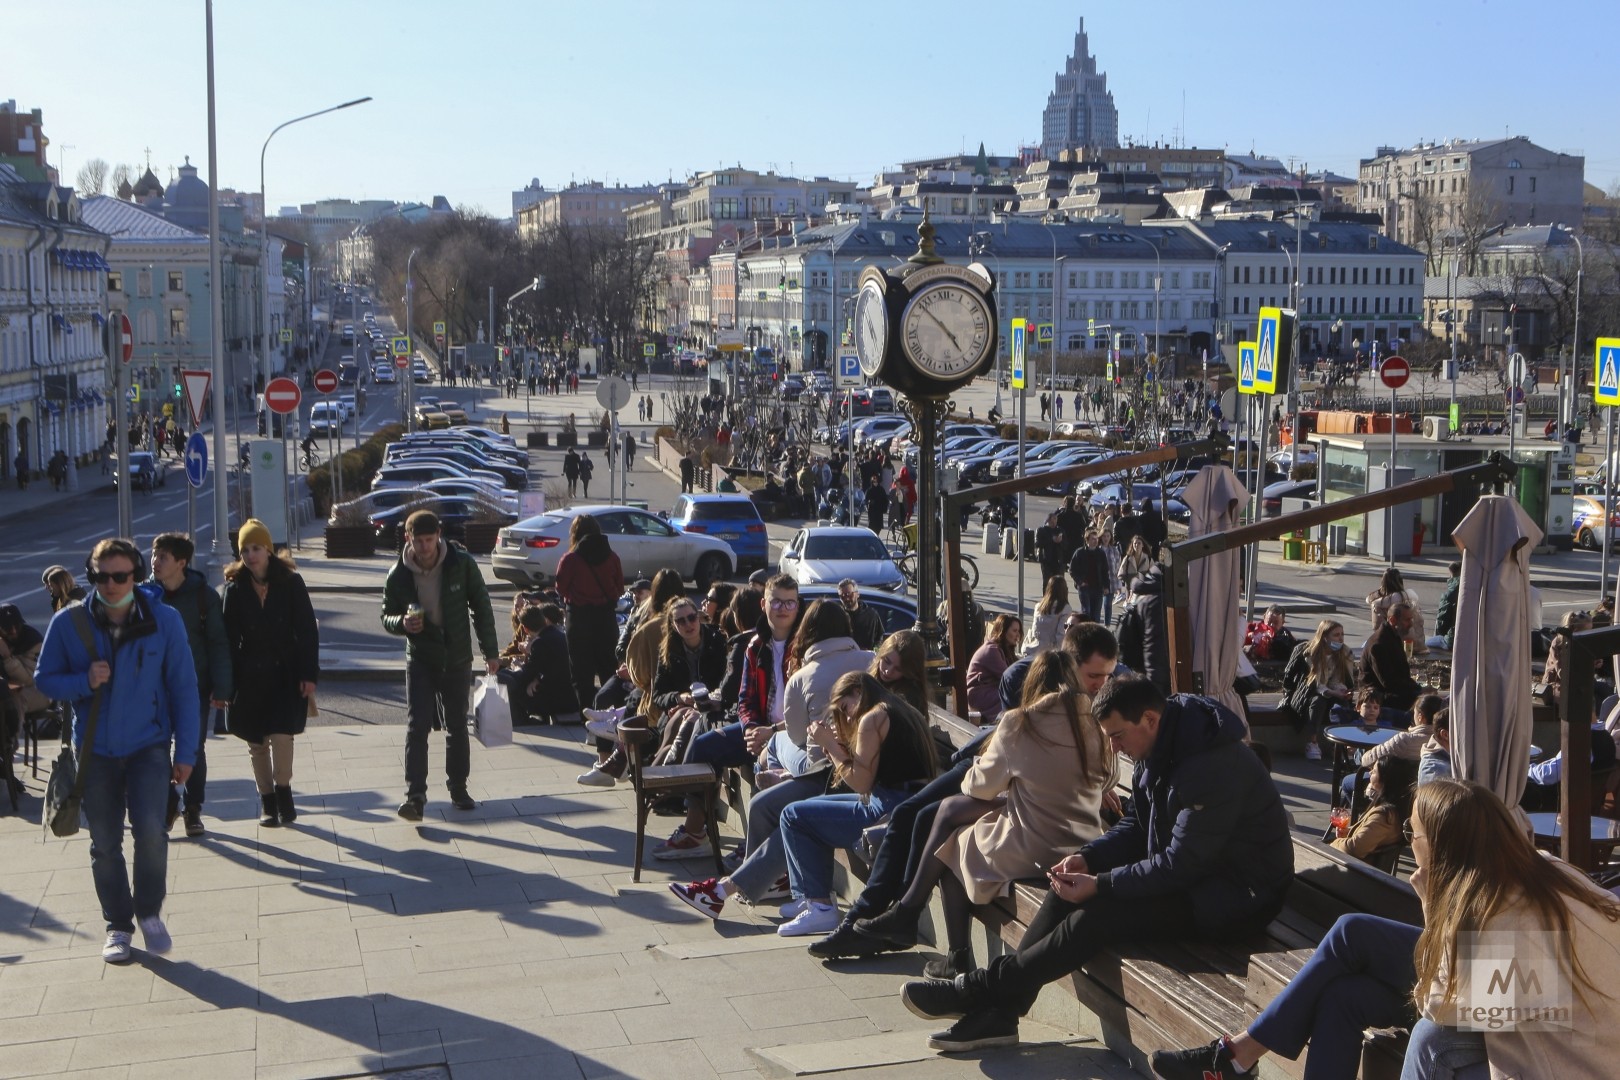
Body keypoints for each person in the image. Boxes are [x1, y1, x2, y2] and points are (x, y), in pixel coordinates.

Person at [899, 675, 1293, 1053]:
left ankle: (979, 989)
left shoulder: (1210, 767)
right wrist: (1087, 859)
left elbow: (1178, 866)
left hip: (1235, 900)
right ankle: (1001, 1013)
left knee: (1097, 916)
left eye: (1118, 736)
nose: (1115, 747)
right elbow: (1137, 825)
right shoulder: (1161, 743)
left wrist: (1101, 884)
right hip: (1195, 880)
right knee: (1066, 889)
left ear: (1150, 719)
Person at [1149, 779, 1620, 1080]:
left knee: (1420, 1033)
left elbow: (1438, 1004)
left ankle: (1236, 1056)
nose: (1406, 840)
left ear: (1440, 847)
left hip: (1563, 1045)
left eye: (1413, 833)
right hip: (1530, 1001)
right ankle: (1239, 1055)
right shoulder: (1529, 871)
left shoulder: (1507, 921)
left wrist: (1430, 898)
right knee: (1346, 982)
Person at [812, 622, 1124, 961]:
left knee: (942, 833)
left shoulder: (1061, 719)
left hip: (1032, 827)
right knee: (923, 816)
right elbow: (1101, 775)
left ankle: (905, 922)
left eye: (1108, 676)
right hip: (1049, 817)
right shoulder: (1096, 721)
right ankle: (895, 916)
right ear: (1071, 666)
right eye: (1095, 676)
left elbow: (982, 785)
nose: (1102, 685)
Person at [34, 538, 199, 963]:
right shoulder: (69, 623)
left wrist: (187, 752)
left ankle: (148, 912)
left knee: (151, 833)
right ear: (91, 577)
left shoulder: (165, 620)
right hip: (96, 750)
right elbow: (45, 679)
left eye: (120, 576)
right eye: (101, 576)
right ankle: (118, 925)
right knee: (105, 842)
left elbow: (184, 688)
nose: (110, 585)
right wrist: (82, 682)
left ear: (136, 574)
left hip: (149, 745)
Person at [773, 671, 938, 936]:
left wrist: (831, 747)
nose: (848, 716)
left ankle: (820, 907)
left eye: (846, 707)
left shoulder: (873, 718)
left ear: (859, 693)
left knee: (794, 816)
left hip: (888, 811)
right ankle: (809, 896)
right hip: (906, 803)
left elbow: (861, 782)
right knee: (812, 808)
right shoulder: (900, 708)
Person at [381, 509, 500, 820]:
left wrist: (490, 652)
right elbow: (386, 615)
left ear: (439, 536)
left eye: (429, 540)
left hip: (457, 656)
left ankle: (458, 788)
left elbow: (481, 607)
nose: (424, 547)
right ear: (408, 539)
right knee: (416, 726)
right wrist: (401, 623)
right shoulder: (398, 574)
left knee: (457, 725)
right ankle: (415, 797)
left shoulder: (461, 564)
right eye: (418, 541)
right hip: (420, 657)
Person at [221, 520, 319, 827]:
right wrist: (227, 683)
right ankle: (267, 801)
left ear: (268, 549)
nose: (251, 556)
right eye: (245, 550)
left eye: (256, 548)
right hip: (249, 677)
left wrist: (308, 674)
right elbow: (227, 638)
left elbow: (306, 631)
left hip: (285, 674)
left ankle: (284, 791)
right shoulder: (235, 589)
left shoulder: (290, 582)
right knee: (256, 742)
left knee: (282, 735)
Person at [148, 533, 233, 838]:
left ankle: (192, 808)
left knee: (192, 747)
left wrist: (222, 687)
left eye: (163, 557)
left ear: (181, 563)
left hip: (192, 687)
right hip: (152, 690)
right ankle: (164, 806)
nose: (155, 562)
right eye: (155, 556)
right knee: (155, 750)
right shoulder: (145, 595)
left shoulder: (203, 596)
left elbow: (218, 643)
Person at [554, 514, 624, 712]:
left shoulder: (570, 559)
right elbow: (619, 588)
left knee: (581, 673)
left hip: (579, 618)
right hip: (606, 618)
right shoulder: (612, 557)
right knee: (609, 670)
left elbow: (561, 587)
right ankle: (613, 715)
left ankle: (588, 718)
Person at [1281, 618, 1356, 761]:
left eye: (1342, 634)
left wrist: (1341, 691)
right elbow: (1313, 683)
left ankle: (1340, 745)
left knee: (1343, 705)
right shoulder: (1308, 652)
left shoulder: (1344, 653)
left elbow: (1337, 680)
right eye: (1336, 635)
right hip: (1307, 693)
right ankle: (1312, 742)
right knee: (1318, 702)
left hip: (1330, 690)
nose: (1340, 638)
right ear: (1324, 637)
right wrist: (1331, 692)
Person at [1330, 757, 1419, 861]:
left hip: (1356, 870)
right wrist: (1348, 832)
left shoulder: (1383, 816)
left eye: (1375, 771)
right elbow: (1371, 835)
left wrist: (1333, 843)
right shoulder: (1397, 808)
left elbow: (1354, 848)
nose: (1370, 772)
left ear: (1385, 780)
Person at [500, 604, 576, 726]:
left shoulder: (540, 643)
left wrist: (516, 666)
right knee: (509, 676)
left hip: (556, 699)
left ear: (525, 629)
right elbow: (544, 668)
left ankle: (520, 720)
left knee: (502, 677)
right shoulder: (559, 635)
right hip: (567, 694)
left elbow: (526, 675)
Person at [1115, 566, 1170, 694]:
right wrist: (1155, 694)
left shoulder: (1147, 593)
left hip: (1140, 670)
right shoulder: (1158, 600)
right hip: (1155, 680)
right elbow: (1155, 653)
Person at [1359, 601, 1422, 712]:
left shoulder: (1392, 636)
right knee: (1424, 705)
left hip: (1392, 692)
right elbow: (1390, 683)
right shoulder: (1379, 644)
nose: (1411, 623)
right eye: (1407, 620)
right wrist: (1419, 690)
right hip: (1377, 698)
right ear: (1392, 620)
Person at [965, 615, 1021, 724]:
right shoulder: (992, 650)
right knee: (1015, 697)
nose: (1018, 635)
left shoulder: (1003, 649)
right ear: (1003, 631)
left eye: (1019, 631)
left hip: (989, 691)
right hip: (979, 695)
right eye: (1014, 631)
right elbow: (1009, 678)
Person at [0, 604, 48, 718]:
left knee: (11, 703)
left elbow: (30, 680)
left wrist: (7, 657)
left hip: (39, 690)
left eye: (16, 625)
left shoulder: (33, 641)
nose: (14, 631)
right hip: (8, 688)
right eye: (8, 628)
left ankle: (10, 735)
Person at [1367, 566, 1428, 656]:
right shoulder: (1412, 598)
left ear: (1383, 583)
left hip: (1398, 649)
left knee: (1366, 646)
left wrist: (1378, 593)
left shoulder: (1379, 604)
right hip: (1420, 646)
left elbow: (1377, 629)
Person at [1068, 531, 1112, 623]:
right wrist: (1080, 582)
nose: (1095, 541)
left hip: (1097, 588)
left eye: (1096, 539)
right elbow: (1072, 570)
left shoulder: (1101, 553)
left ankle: (1095, 633)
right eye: (1093, 539)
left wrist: (1106, 586)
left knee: (1096, 614)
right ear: (1087, 540)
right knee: (1086, 612)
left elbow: (1105, 571)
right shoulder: (1079, 552)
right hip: (1085, 588)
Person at [1025, 575, 1072, 656]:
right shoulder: (1065, 608)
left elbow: (1034, 630)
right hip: (1050, 653)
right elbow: (1061, 634)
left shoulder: (1039, 606)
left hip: (1034, 649)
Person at [837, 578, 886, 652]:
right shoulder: (838, 617)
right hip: (845, 660)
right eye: (842, 596)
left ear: (857, 594)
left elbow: (879, 638)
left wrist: (874, 651)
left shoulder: (871, 615)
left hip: (867, 660)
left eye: (849, 594)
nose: (846, 598)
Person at [1426, 561, 1461, 651]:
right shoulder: (1474, 589)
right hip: (1472, 639)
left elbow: (1442, 623)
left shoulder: (1449, 595)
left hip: (1452, 640)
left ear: (1450, 573)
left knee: (1427, 643)